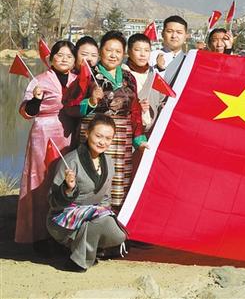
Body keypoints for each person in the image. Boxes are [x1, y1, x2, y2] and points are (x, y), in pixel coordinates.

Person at [72, 31, 148, 209]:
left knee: (119, 182)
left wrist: (139, 140)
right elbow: (73, 105)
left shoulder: (129, 77)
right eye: (109, 50)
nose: (113, 55)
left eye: (118, 51)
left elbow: (134, 110)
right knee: (92, 177)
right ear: (100, 51)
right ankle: (88, 217)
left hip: (121, 138)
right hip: (95, 134)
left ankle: (114, 219)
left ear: (124, 54)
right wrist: (91, 101)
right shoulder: (88, 74)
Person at [16, 41, 78, 249]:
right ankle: (39, 235)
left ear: (75, 60)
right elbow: (26, 112)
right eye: (59, 55)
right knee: (41, 181)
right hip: (43, 133)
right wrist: (36, 100)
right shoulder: (39, 80)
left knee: (65, 180)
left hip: (69, 132)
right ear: (51, 58)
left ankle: (63, 233)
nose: (64, 59)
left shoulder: (78, 80)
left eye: (69, 56)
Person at [47, 114, 127, 271]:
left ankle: (85, 247)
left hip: (93, 216)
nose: (102, 142)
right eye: (98, 136)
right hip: (63, 219)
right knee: (99, 221)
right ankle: (77, 261)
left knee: (119, 235)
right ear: (87, 133)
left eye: (108, 138)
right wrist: (68, 189)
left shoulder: (109, 162)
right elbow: (52, 201)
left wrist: (104, 213)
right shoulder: (71, 161)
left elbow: (105, 198)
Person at [123, 33, 155, 129]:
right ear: (129, 51)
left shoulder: (153, 74)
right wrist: (136, 107)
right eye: (137, 50)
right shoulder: (122, 74)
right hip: (130, 128)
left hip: (152, 128)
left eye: (147, 50)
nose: (143, 54)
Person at [148, 15, 189, 82]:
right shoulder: (151, 57)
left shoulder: (189, 60)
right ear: (162, 34)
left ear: (186, 36)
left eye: (179, 32)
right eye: (169, 31)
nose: (174, 36)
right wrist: (159, 68)